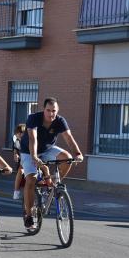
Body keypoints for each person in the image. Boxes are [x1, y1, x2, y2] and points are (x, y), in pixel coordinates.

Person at [20, 97, 83, 229]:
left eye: (54, 111)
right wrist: (34, 157)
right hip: (29, 151)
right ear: (44, 110)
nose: (51, 114)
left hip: (48, 149)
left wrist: (77, 153)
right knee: (31, 179)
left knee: (67, 157)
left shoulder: (60, 121)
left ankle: (53, 185)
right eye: (48, 110)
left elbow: (69, 138)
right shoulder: (34, 118)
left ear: (57, 110)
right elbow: (33, 138)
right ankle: (29, 215)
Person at [12, 123, 26, 200]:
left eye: (21, 132)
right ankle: (16, 191)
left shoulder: (30, 141)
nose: (19, 134)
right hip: (22, 163)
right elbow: (15, 151)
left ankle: (42, 196)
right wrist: (16, 155)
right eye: (17, 133)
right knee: (20, 172)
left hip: (33, 162)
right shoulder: (17, 142)